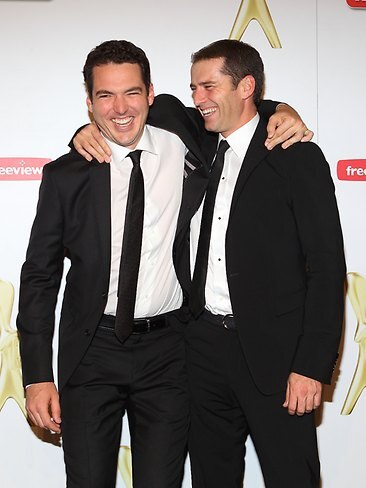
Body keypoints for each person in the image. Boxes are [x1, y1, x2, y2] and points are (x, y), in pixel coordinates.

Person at [18, 40, 311, 488]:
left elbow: (240, 105)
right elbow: (39, 278)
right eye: (104, 96)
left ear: (152, 94)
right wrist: (37, 376)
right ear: (89, 103)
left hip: (170, 354)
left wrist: (283, 109)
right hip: (91, 351)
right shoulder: (66, 175)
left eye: (132, 93)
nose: (120, 108)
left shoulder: (185, 135)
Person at [178, 40, 345, 487]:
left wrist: (311, 365)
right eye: (194, 87)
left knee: (292, 477)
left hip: (278, 356)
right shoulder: (198, 142)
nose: (198, 98)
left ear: (246, 86)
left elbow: (327, 268)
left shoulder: (296, 156)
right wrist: (83, 132)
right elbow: (130, 113)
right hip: (204, 349)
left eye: (209, 86)